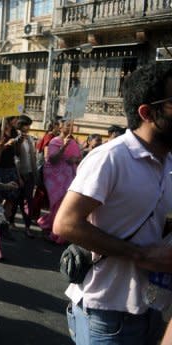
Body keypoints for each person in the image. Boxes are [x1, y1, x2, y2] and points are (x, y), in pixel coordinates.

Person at [54, 62, 172, 345]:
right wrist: (140, 255)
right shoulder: (110, 157)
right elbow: (66, 223)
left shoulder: (168, 162)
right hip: (106, 313)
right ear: (148, 113)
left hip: (153, 307)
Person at [37, 119, 81, 244]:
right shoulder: (54, 141)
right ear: (60, 127)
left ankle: (54, 227)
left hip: (69, 177)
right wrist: (63, 147)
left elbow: (78, 157)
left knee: (65, 204)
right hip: (55, 178)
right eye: (66, 125)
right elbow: (53, 160)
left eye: (70, 125)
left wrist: (74, 160)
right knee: (58, 204)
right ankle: (56, 232)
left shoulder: (73, 142)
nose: (69, 128)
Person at [11, 115, 38, 238]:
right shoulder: (16, 139)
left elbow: (33, 157)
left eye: (29, 125)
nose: (28, 127)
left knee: (28, 201)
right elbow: (15, 158)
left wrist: (35, 174)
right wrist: (19, 177)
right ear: (20, 125)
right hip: (19, 174)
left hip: (30, 174)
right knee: (16, 200)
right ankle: (11, 221)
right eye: (26, 125)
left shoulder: (31, 139)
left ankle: (27, 227)